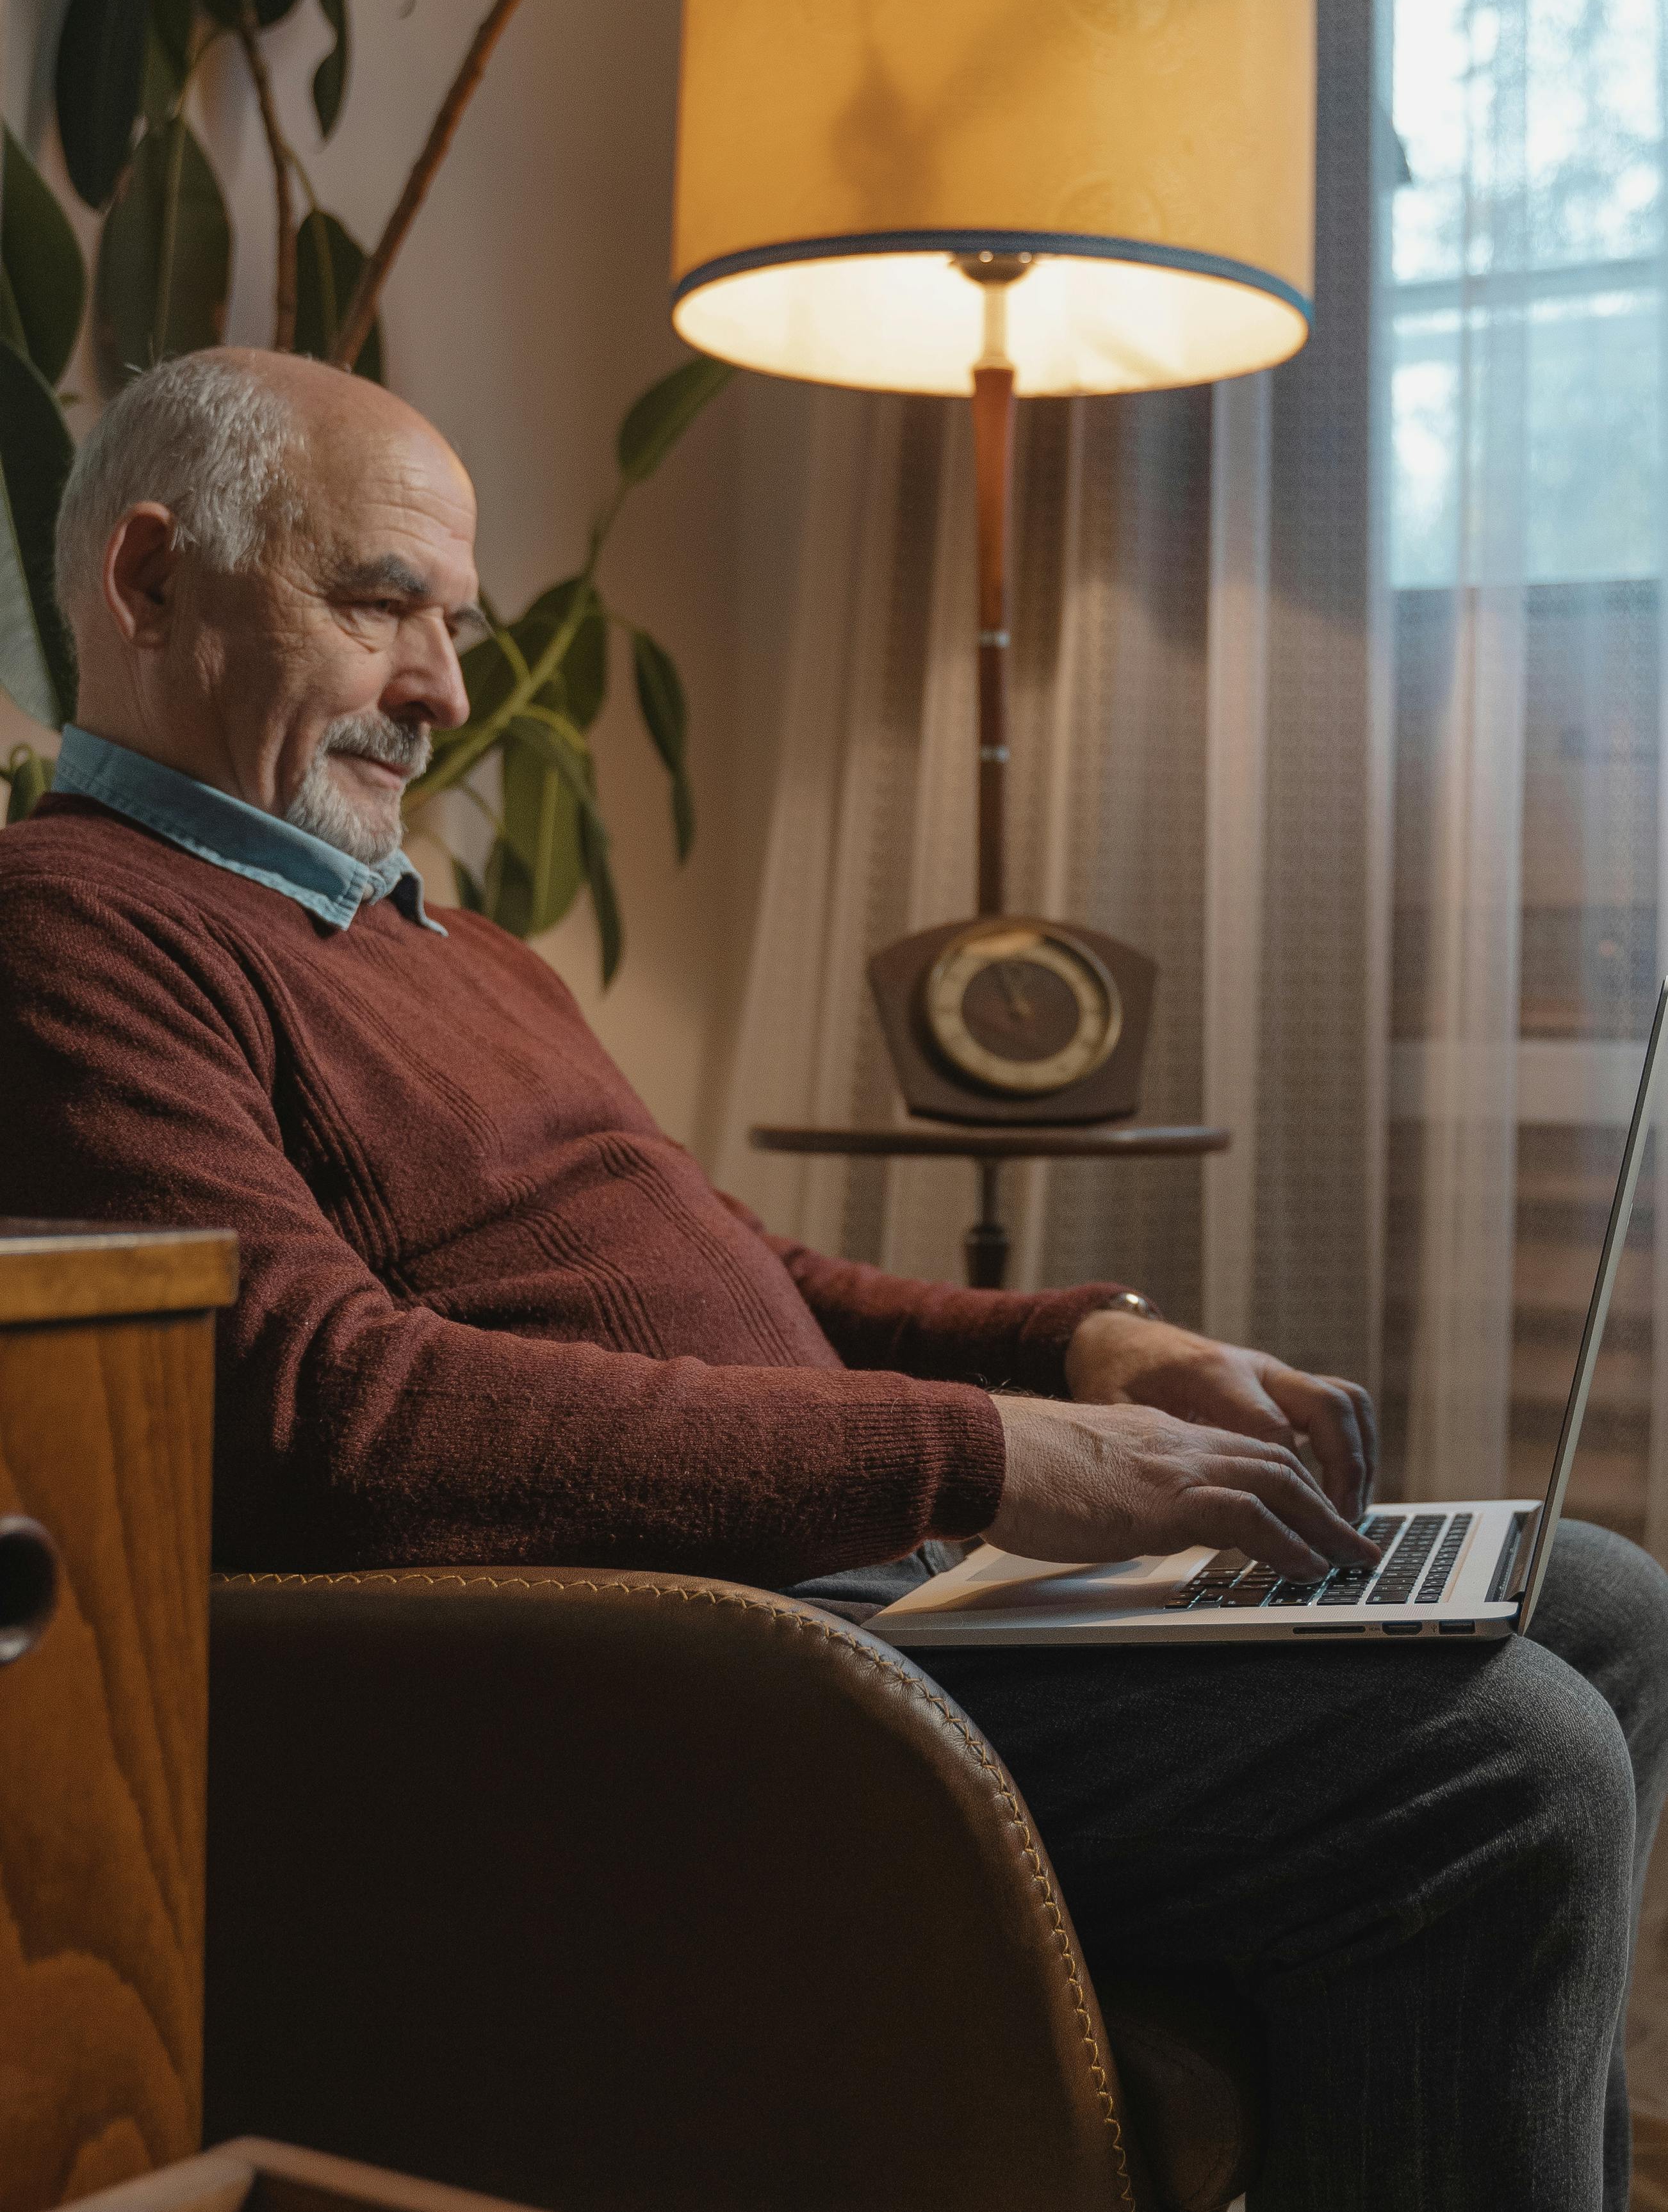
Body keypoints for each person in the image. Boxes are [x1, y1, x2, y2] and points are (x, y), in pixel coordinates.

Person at [1, 348, 1662, 2212]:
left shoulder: (447, 943)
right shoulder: (74, 924)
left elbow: (739, 1270)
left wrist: (1081, 1344)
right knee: (1499, 1762)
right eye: (382, 603)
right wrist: (988, 1455)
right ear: (148, 583)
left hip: (847, 1596)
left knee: (1594, 1598)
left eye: (455, 623)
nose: (445, 691)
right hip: (692, 1679)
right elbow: (324, 1407)